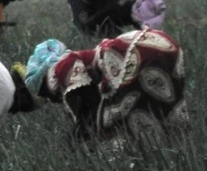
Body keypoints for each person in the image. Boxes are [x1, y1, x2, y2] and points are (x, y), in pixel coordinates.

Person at [25, 28, 188, 145]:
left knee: (115, 124)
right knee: (159, 107)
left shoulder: (61, 67)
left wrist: (68, 147)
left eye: (46, 92)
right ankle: (174, 149)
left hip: (138, 52)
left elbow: (89, 112)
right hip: (162, 43)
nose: (52, 99)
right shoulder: (79, 60)